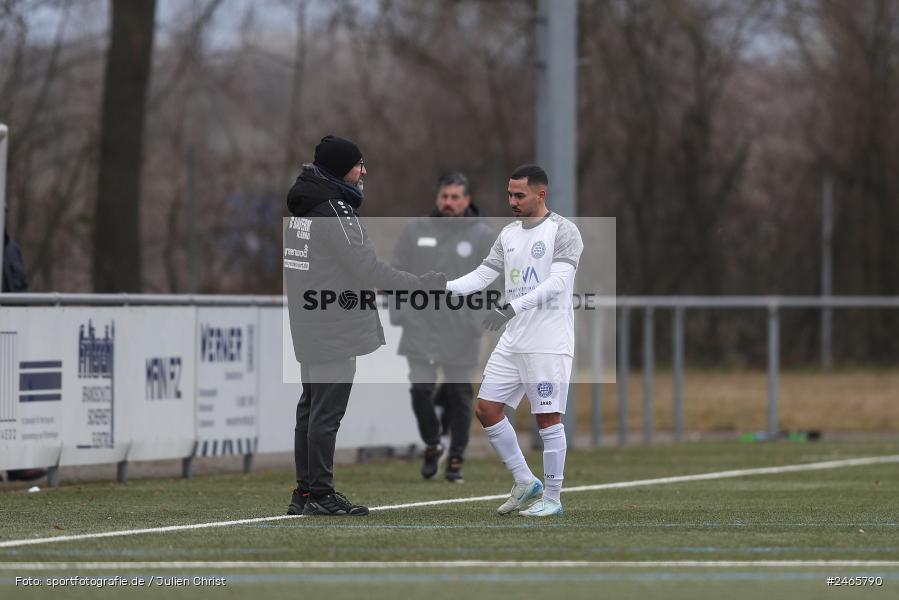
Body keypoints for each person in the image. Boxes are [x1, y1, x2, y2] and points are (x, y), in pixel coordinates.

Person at [283, 135, 446, 516]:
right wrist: (420, 284)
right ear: (342, 169)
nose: (364, 171)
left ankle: (305, 493)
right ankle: (320, 494)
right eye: (358, 164)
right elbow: (368, 269)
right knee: (325, 413)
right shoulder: (335, 211)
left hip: (309, 323)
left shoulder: (305, 207)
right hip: (334, 326)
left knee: (309, 408)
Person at [446, 165, 583, 516]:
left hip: (548, 341)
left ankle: (552, 498)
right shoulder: (508, 234)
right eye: (509, 194)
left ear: (541, 195)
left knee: (548, 419)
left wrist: (510, 306)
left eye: (519, 195)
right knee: (487, 409)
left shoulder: (564, 231)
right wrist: (442, 287)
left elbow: (557, 283)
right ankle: (525, 481)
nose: (512, 201)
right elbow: (482, 275)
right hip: (514, 340)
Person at [389, 172, 495, 483]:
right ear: (438, 198)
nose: (448, 203)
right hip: (420, 325)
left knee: (459, 394)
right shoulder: (416, 229)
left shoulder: (482, 236)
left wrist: (475, 323)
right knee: (420, 390)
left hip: (461, 330)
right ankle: (434, 444)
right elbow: (396, 272)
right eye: (443, 197)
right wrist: (401, 313)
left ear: (467, 200)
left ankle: (457, 458)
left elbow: (494, 283)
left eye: (454, 197)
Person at [3, 228, 48, 483]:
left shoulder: (11, 248)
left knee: (11, 399)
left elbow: (20, 288)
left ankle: (16, 462)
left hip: (13, 329)